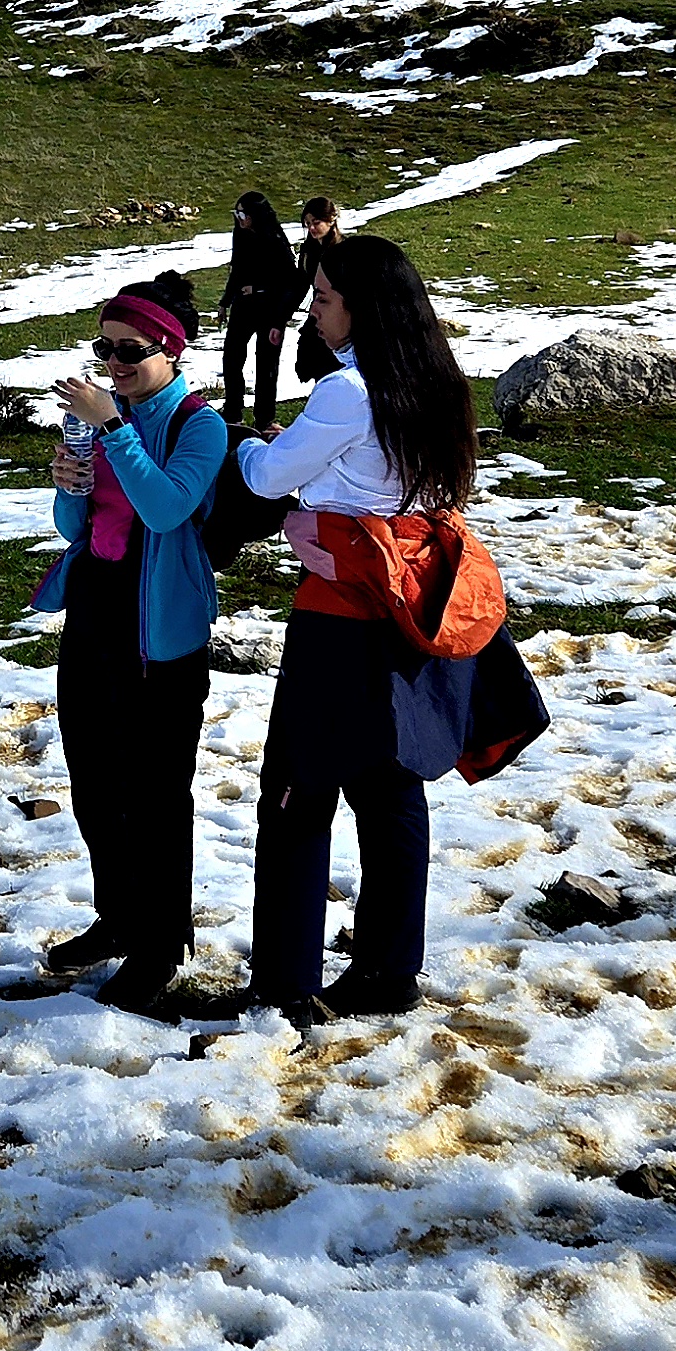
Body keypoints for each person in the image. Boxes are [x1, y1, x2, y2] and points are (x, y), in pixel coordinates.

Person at [233, 232, 482, 1023]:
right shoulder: (434, 383)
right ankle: (387, 968)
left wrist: (253, 448)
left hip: (338, 611)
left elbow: (273, 478)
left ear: (364, 308)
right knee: (389, 787)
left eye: (328, 297)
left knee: (297, 791)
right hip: (404, 603)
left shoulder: (347, 390)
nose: (315, 308)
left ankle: (285, 979)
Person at [36, 276, 227, 1014]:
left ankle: (160, 944)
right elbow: (71, 525)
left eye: (131, 350)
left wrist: (112, 428)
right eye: (104, 348)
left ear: (172, 351)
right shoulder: (100, 417)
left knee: (154, 794)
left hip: (162, 630)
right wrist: (68, 479)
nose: (114, 362)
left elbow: (167, 506)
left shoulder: (196, 425)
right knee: (94, 782)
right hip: (95, 608)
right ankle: (119, 918)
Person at [218, 193, 297, 430]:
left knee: (266, 364)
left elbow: (288, 280)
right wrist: (225, 302)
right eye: (237, 213)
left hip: (270, 309)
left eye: (243, 214)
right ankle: (233, 412)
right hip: (243, 306)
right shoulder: (240, 235)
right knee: (231, 357)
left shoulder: (274, 239)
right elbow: (237, 270)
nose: (240, 219)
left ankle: (265, 418)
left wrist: (260, 290)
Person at [291, 197, 343, 382]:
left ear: (330, 220)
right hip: (318, 311)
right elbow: (300, 283)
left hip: (339, 314)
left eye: (316, 222)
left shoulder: (342, 250)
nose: (312, 228)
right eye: (307, 224)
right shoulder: (307, 250)